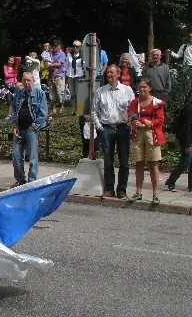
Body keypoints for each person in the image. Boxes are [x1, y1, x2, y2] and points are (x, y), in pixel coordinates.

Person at [92, 64, 136, 199]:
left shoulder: (127, 90)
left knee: (124, 162)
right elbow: (94, 111)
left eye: (112, 72)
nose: (109, 75)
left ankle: (122, 190)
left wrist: (131, 123)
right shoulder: (100, 91)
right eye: (108, 73)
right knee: (108, 162)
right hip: (107, 129)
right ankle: (109, 189)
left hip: (123, 129)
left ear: (118, 74)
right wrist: (100, 127)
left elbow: (134, 110)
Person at [127, 78, 165, 204]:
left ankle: (155, 194)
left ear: (149, 88)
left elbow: (160, 119)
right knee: (138, 163)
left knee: (153, 164)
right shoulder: (134, 102)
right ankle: (138, 192)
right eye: (140, 87)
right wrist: (133, 122)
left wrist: (151, 122)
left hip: (152, 134)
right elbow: (130, 116)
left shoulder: (156, 102)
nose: (142, 89)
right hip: (137, 134)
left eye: (144, 87)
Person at [11, 72, 48, 186]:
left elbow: (43, 112)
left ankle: (31, 181)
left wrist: (35, 126)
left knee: (32, 158)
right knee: (16, 156)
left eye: (29, 80)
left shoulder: (39, 93)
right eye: (25, 80)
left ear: (33, 81)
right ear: (22, 81)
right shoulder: (19, 93)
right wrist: (14, 126)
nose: (27, 83)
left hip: (31, 129)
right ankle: (21, 181)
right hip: (19, 129)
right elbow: (13, 109)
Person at [165, 97, 192, 192]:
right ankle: (171, 181)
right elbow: (185, 129)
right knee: (186, 162)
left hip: (188, 138)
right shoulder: (189, 109)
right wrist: (188, 145)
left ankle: (190, 185)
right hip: (186, 139)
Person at [48, 42, 66, 114]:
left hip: (59, 75)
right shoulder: (50, 54)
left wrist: (51, 64)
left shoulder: (62, 54)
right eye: (53, 46)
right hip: (51, 75)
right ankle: (54, 109)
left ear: (59, 46)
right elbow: (46, 63)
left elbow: (59, 64)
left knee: (60, 93)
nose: (54, 47)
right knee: (52, 94)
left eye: (56, 46)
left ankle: (61, 107)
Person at [66, 41, 84, 114]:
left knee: (78, 93)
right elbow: (66, 65)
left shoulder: (82, 56)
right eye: (74, 46)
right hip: (70, 75)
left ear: (80, 48)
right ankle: (73, 109)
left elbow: (84, 66)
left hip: (79, 75)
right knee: (72, 93)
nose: (75, 48)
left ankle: (79, 110)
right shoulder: (69, 55)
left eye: (77, 46)